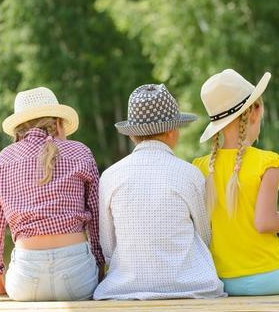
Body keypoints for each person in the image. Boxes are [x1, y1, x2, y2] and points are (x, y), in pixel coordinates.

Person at [93, 84, 225, 300]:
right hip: (190, 286)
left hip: (124, 289)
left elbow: (108, 247)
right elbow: (205, 236)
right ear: (172, 131)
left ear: (132, 135)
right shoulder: (189, 174)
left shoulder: (110, 176)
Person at [192, 69, 279, 296]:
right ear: (255, 112)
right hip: (269, 277)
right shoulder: (268, 162)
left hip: (221, 281)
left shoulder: (199, 167)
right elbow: (265, 222)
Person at [0, 87, 104, 301]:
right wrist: (99, 270)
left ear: (17, 132)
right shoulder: (81, 152)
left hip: (25, 281)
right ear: (59, 124)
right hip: (77, 276)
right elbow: (98, 224)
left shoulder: (4, 160)